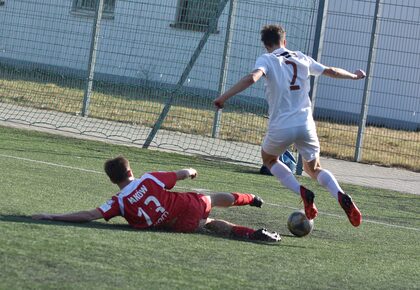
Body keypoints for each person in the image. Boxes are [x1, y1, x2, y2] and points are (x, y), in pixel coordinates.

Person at [213, 24, 364, 227]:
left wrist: (223, 97)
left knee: (269, 159)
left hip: (281, 126)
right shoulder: (301, 57)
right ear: (284, 41)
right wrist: (354, 76)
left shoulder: (266, 59)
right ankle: (340, 194)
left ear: (266, 45)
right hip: (305, 124)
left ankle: (301, 191)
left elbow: (252, 78)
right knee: (315, 168)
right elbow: (331, 71)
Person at [32, 156, 281, 242]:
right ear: (130, 171)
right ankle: (250, 198)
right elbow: (181, 174)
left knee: (208, 224)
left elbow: (89, 215)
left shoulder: (117, 202)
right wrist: (191, 171)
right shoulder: (148, 179)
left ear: (113, 180)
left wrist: (52, 216)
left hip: (176, 226)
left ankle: (250, 233)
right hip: (185, 205)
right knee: (212, 199)